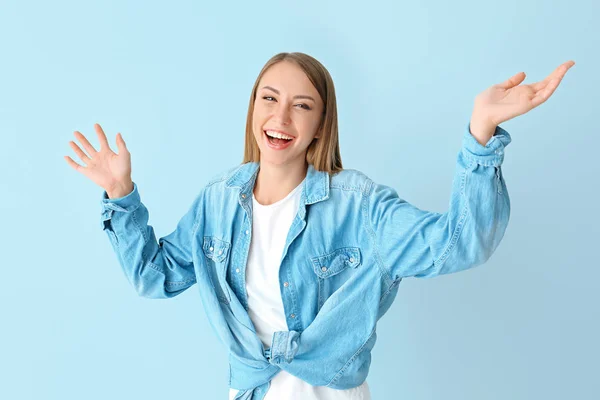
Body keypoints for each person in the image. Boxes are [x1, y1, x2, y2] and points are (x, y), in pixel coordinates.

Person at [65, 52, 575, 400]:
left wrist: (480, 136)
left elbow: (461, 244)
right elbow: (155, 277)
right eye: (269, 98)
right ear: (252, 109)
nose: (281, 116)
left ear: (320, 122)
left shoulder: (360, 205)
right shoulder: (217, 202)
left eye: (301, 105)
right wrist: (120, 195)